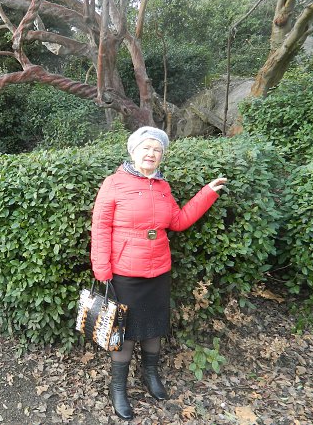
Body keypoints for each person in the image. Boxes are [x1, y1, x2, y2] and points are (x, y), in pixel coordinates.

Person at [90, 126, 227, 420]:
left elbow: (177, 221)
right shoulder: (114, 183)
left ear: (161, 156)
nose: (151, 154)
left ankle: (150, 374)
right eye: (146, 148)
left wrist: (207, 194)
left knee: (154, 327)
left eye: (157, 150)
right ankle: (118, 387)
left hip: (159, 270)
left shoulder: (163, 186)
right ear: (133, 151)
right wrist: (101, 269)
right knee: (124, 332)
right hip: (125, 273)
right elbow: (100, 227)